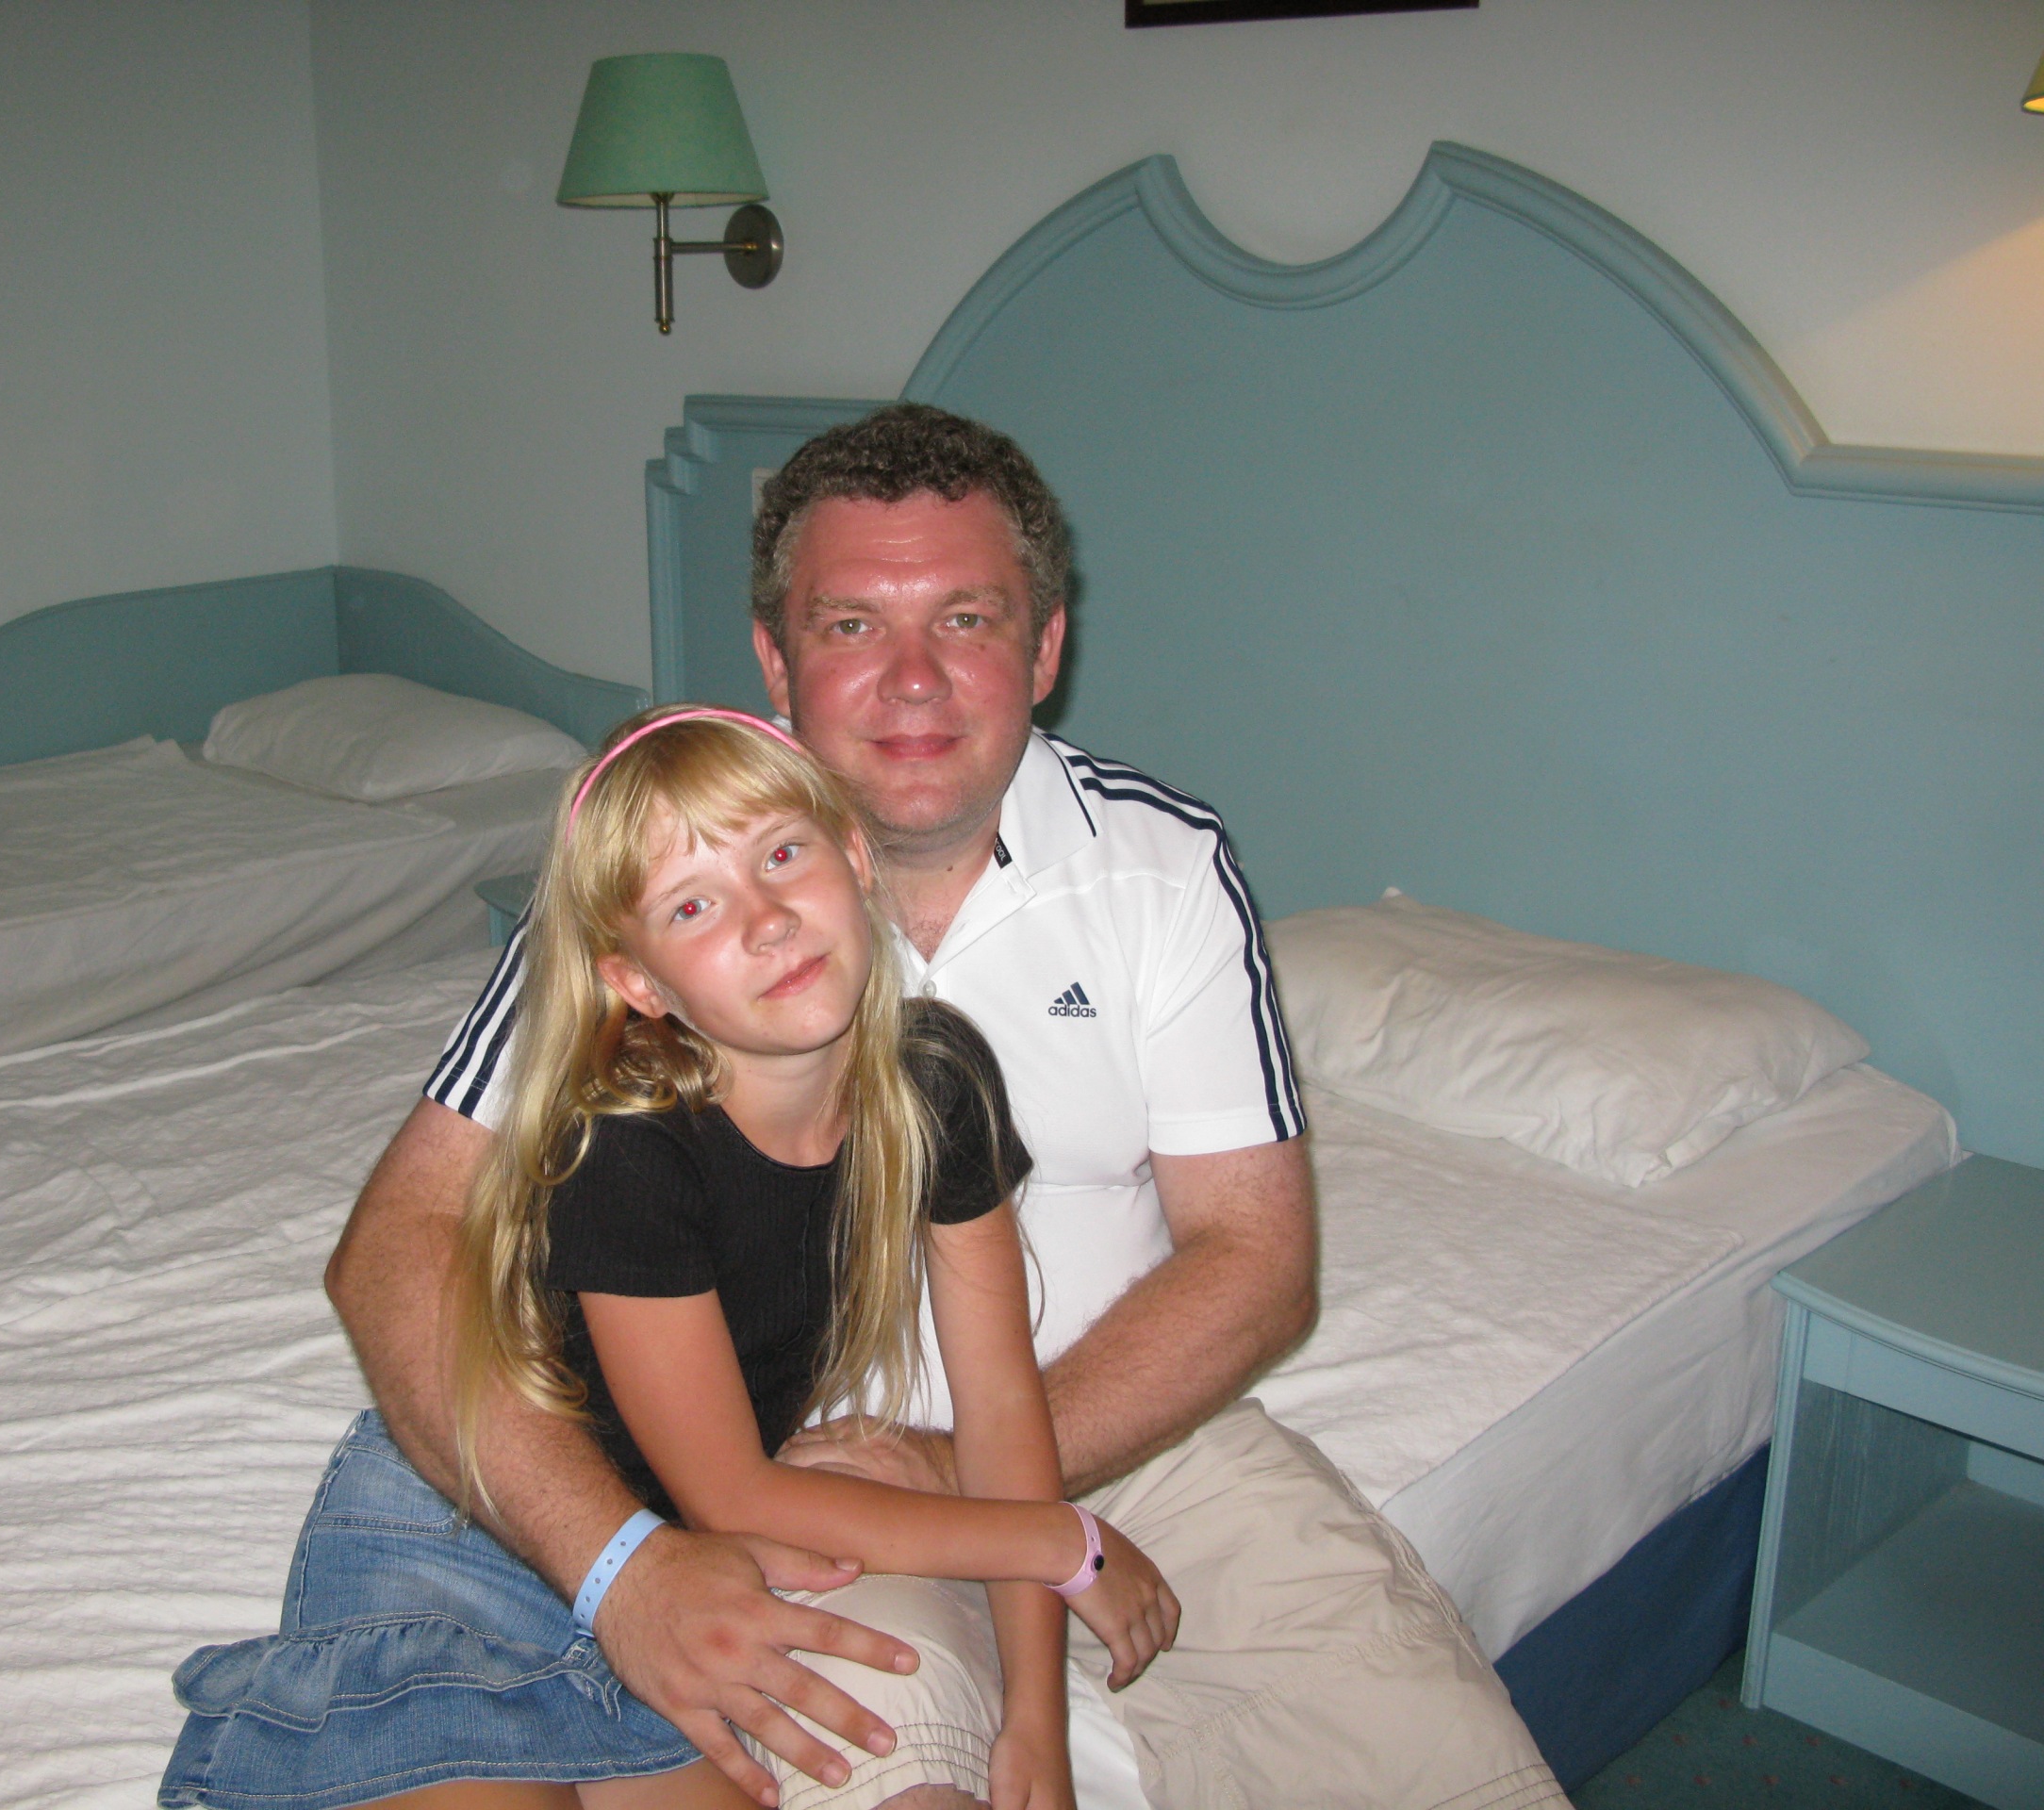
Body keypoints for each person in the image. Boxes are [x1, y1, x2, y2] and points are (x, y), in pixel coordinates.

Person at [325, 405, 1570, 1809]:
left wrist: (967, 1473)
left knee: (1438, 1760)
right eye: (852, 624)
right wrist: (618, 1562)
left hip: (1131, 1437)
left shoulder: (1161, 867)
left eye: (966, 619)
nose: (912, 679)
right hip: (808, 1476)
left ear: (1044, 647)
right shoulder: (667, 882)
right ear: (776, 660)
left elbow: (1258, 1260)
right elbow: (399, 1248)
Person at [161, 706, 1181, 1810]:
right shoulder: (632, 1143)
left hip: (688, 1572)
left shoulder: (938, 1084)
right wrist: (1061, 1543)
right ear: (638, 984)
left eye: (781, 854)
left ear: (854, 857)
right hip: (474, 1538)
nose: (767, 919)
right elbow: (734, 1488)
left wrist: (1033, 1721)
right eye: (692, 905)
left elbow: (1001, 1412)